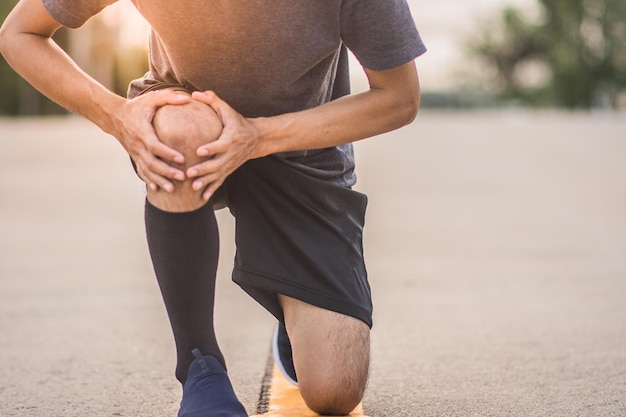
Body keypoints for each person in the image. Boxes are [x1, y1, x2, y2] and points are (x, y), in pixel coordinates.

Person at [0, 1, 426, 416]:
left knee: (333, 393)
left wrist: (259, 136)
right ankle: (200, 366)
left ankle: (289, 302)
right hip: (193, 125)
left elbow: (398, 97)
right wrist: (117, 117)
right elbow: (19, 33)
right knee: (179, 133)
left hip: (301, 147)